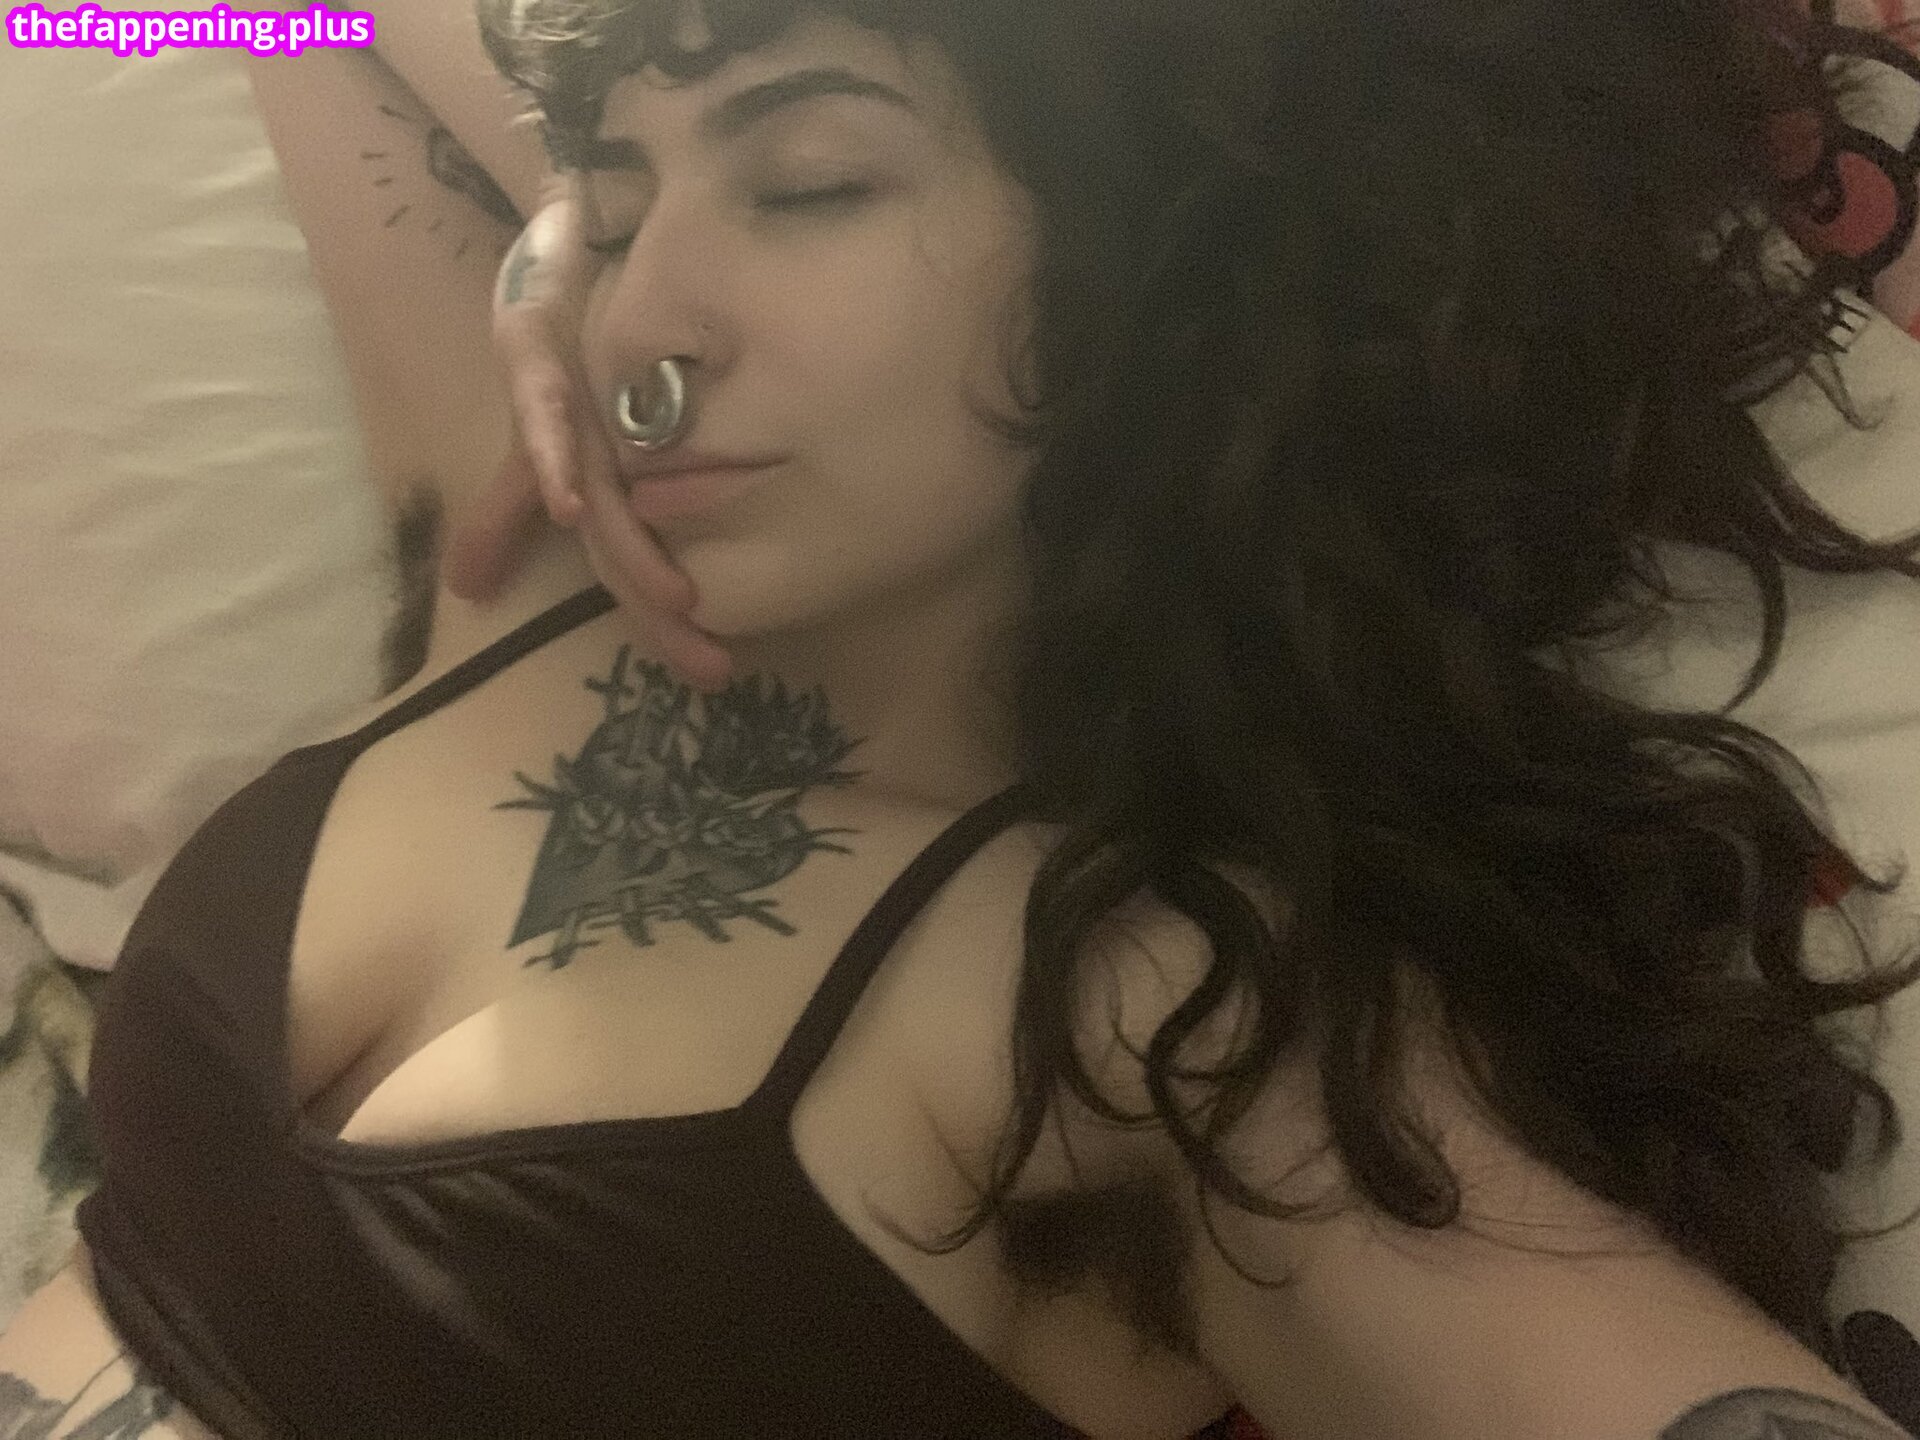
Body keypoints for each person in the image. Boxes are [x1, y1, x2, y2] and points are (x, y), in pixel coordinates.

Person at [4, 0, 1920, 1434]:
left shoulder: (1153, 1008)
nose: (647, 329)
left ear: (1171, 250)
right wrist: (546, 237)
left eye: (811, 183)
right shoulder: (532, 552)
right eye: (625, 192)